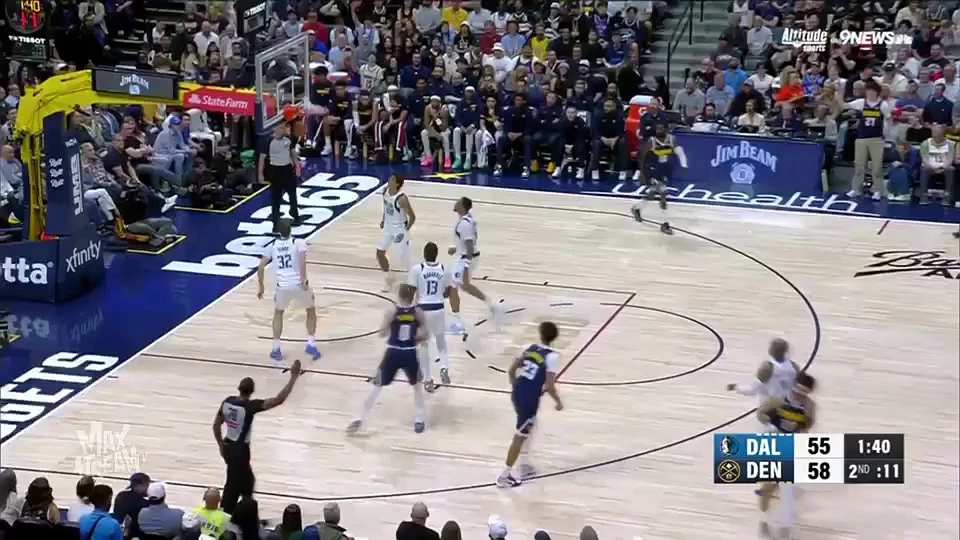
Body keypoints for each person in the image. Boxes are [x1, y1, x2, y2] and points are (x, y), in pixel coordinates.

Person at [213, 359, 302, 513]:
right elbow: (278, 400)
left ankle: (246, 509)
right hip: (240, 450)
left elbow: (216, 425)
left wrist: (220, 444)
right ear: (252, 391)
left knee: (247, 481)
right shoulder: (249, 406)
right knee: (233, 485)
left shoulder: (227, 402)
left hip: (228, 445)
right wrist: (293, 377)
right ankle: (227, 514)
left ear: (239, 388)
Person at [347, 284, 429, 434]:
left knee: (377, 385)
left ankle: (359, 418)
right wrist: (413, 339)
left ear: (399, 295)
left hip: (393, 353)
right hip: (409, 353)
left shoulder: (392, 312)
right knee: (417, 386)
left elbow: (382, 333)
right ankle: (419, 420)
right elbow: (424, 335)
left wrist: (391, 329)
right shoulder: (418, 313)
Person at [497, 321, 564, 488]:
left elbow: (511, 371)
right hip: (529, 400)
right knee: (520, 436)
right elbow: (549, 385)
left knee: (530, 427)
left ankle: (524, 464)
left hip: (517, 393)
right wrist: (558, 401)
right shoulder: (552, 357)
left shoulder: (528, 348)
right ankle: (504, 476)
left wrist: (517, 387)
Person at [757, 371, 816, 540]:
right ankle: (764, 520)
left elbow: (808, 424)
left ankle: (785, 528)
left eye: (804, 391)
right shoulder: (778, 399)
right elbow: (760, 413)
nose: (800, 392)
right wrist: (771, 425)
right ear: (794, 385)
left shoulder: (809, 406)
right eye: (799, 388)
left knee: (787, 488)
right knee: (768, 487)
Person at [256, 218, 322, 362]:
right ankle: (311, 344)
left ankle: (276, 349)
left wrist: (261, 286)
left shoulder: (273, 245)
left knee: (278, 313)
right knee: (310, 310)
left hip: (283, 286)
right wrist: (303, 279)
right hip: (298, 284)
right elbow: (302, 261)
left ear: (278, 232)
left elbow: (260, 267)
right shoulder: (298, 242)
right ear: (291, 229)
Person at [446, 196, 503, 334]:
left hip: (466, 258)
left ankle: (457, 323)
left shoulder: (464, 224)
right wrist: (457, 248)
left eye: (458, 202)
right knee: (465, 286)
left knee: (453, 288)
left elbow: (470, 246)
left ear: (462, 207)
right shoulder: (467, 220)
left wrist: (466, 265)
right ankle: (490, 303)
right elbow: (468, 242)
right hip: (467, 255)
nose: (455, 203)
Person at [407, 242, 453, 392]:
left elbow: (410, 292)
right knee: (441, 342)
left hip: (423, 310)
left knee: (424, 345)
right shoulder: (444, 269)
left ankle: (428, 380)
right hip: (438, 308)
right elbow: (448, 293)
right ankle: (444, 368)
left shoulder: (417, 269)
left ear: (424, 254)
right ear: (436, 254)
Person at [631, 122, 688, 235]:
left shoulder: (671, 139)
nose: (659, 130)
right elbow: (643, 157)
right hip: (651, 169)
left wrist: (684, 165)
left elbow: (680, 152)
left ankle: (636, 208)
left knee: (652, 193)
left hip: (663, 170)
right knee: (663, 192)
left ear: (666, 129)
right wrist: (642, 173)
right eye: (657, 129)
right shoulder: (651, 141)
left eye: (661, 128)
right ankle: (664, 223)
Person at [726, 338, 798, 411]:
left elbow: (752, 390)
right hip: (791, 408)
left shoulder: (768, 367)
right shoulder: (794, 366)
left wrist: (736, 387)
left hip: (771, 410)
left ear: (771, 350)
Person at [258, 119, 301, 232]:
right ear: (275, 129)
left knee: (292, 194)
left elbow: (293, 154)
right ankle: (275, 223)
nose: (285, 130)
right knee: (275, 198)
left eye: (285, 127)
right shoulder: (267, 141)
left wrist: (297, 167)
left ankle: (295, 215)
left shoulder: (289, 139)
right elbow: (261, 160)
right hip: (275, 171)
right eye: (282, 128)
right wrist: (260, 175)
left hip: (287, 169)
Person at [377, 175, 416, 292]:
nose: (389, 180)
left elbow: (412, 217)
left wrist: (405, 231)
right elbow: (385, 207)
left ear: (397, 184)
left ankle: (414, 281)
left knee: (403, 258)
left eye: (392, 180)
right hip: (388, 227)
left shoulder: (402, 198)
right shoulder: (385, 191)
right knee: (379, 253)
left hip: (399, 228)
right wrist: (383, 220)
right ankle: (389, 278)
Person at [495, 92, 533, 178]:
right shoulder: (509, 110)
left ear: (524, 101)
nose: (518, 102)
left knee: (528, 139)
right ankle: (499, 166)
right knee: (501, 139)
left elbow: (529, 128)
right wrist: (508, 133)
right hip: (510, 135)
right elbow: (506, 125)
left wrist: (519, 134)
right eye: (516, 100)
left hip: (522, 135)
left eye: (520, 100)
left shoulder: (528, 112)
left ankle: (526, 167)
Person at [587, 98, 627, 181]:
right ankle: (595, 170)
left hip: (615, 139)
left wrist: (614, 139)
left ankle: (622, 171)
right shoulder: (598, 115)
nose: (606, 108)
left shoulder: (620, 116)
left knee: (623, 142)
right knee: (597, 143)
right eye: (605, 106)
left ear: (614, 107)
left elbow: (622, 131)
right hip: (601, 138)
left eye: (609, 106)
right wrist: (603, 139)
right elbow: (594, 131)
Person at [554, 105, 587, 179]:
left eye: (572, 113)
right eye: (568, 112)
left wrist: (571, 146)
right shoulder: (562, 122)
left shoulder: (580, 121)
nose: (570, 114)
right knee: (559, 142)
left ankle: (581, 169)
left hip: (577, 140)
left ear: (576, 113)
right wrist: (566, 145)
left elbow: (581, 135)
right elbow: (561, 134)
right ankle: (558, 167)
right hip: (566, 140)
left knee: (580, 144)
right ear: (566, 113)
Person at [421, 95, 453, 168]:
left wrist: (436, 119)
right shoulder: (428, 108)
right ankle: (428, 156)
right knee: (423, 133)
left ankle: (447, 158)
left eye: (436, 101)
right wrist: (435, 134)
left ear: (439, 102)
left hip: (444, 129)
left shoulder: (444, 109)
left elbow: (444, 127)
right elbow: (426, 124)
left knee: (444, 135)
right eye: (432, 101)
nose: (434, 103)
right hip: (433, 129)